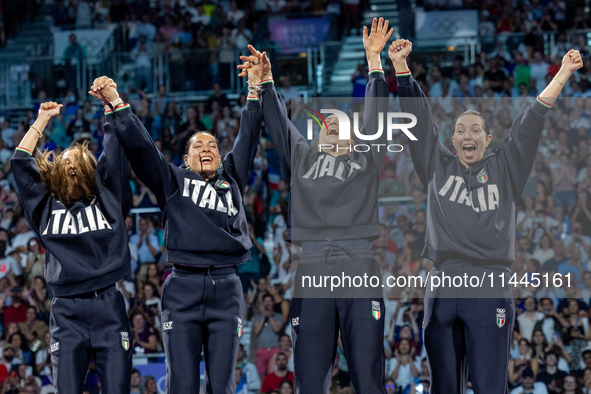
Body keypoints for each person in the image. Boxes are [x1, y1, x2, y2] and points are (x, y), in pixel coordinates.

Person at [391, 37, 582, 394]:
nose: (467, 135)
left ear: (489, 139)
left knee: (489, 386)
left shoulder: (506, 166)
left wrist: (564, 73)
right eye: (460, 130)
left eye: (475, 129)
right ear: (452, 141)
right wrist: (401, 68)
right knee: (443, 388)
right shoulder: (436, 163)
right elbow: (418, 118)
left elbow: (531, 118)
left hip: (489, 284)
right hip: (443, 284)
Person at [93, 51, 262, 392]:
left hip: (227, 288)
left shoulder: (231, 177)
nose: (207, 149)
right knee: (181, 384)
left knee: (223, 384)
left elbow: (248, 137)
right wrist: (117, 103)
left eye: (213, 145)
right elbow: (143, 150)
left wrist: (255, 89)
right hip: (182, 286)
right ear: (185, 160)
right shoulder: (173, 180)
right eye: (198, 145)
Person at [246, 17, 393, 393]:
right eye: (326, 123)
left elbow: (376, 115)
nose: (331, 125)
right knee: (310, 378)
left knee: (367, 374)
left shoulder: (366, 155)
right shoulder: (303, 157)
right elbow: (278, 123)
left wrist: (375, 63)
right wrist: (265, 82)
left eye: (339, 123)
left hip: (358, 263)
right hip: (313, 266)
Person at [11, 97, 133, 394]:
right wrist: (42, 120)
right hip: (66, 312)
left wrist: (110, 107)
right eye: (65, 163)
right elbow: (20, 161)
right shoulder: (45, 206)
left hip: (108, 306)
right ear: (55, 174)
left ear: (90, 169)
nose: (71, 166)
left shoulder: (107, 198)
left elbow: (115, 149)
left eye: (77, 162)